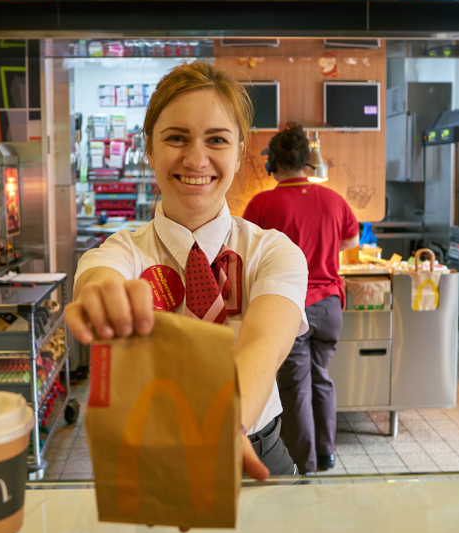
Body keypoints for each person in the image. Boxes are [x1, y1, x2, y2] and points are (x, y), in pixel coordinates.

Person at [64, 61, 308, 479]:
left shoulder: (273, 252)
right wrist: (101, 298)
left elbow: (263, 347)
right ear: (149, 148)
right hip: (153, 460)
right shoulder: (121, 251)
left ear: (240, 149)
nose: (196, 159)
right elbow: (100, 277)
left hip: (253, 451)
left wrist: (224, 426)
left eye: (216, 139)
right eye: (176, 138)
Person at [242, 125, 359, 474]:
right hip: (330, 306)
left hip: (290, 308)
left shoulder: (263, 204)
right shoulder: (334, 199)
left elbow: (245, 255)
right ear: (307, 163)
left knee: (295, 387)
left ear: (272, 165)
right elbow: (350, 244)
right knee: (321, 376)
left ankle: (305, 466)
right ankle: (327, 454)